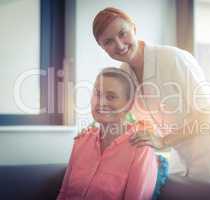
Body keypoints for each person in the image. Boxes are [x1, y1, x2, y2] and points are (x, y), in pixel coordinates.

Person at [92, 7, 210, 184]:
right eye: (109, 41)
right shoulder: (124, 75)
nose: (119, 45)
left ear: (133, 28)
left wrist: (162, 141)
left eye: (123, 33)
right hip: (184, 161)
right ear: (102, 47)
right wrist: (97, 138)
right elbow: (129, 120)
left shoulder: (174, 58)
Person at [57, 68, 158, 200]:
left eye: (111, 97)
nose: (101, 103)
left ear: (129, 104)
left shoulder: (141, 149)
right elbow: (64, 193)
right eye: (97, 94)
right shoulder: (81, 141)